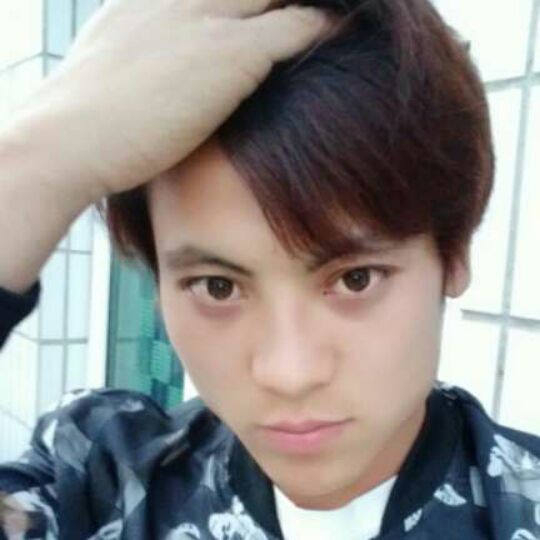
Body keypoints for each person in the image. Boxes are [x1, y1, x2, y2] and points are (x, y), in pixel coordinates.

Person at [0, 0, 539, 539]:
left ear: (454, 253)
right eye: (217, 287)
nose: (290, 374)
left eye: (355, 278)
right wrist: (36, 161)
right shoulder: (102, 480)